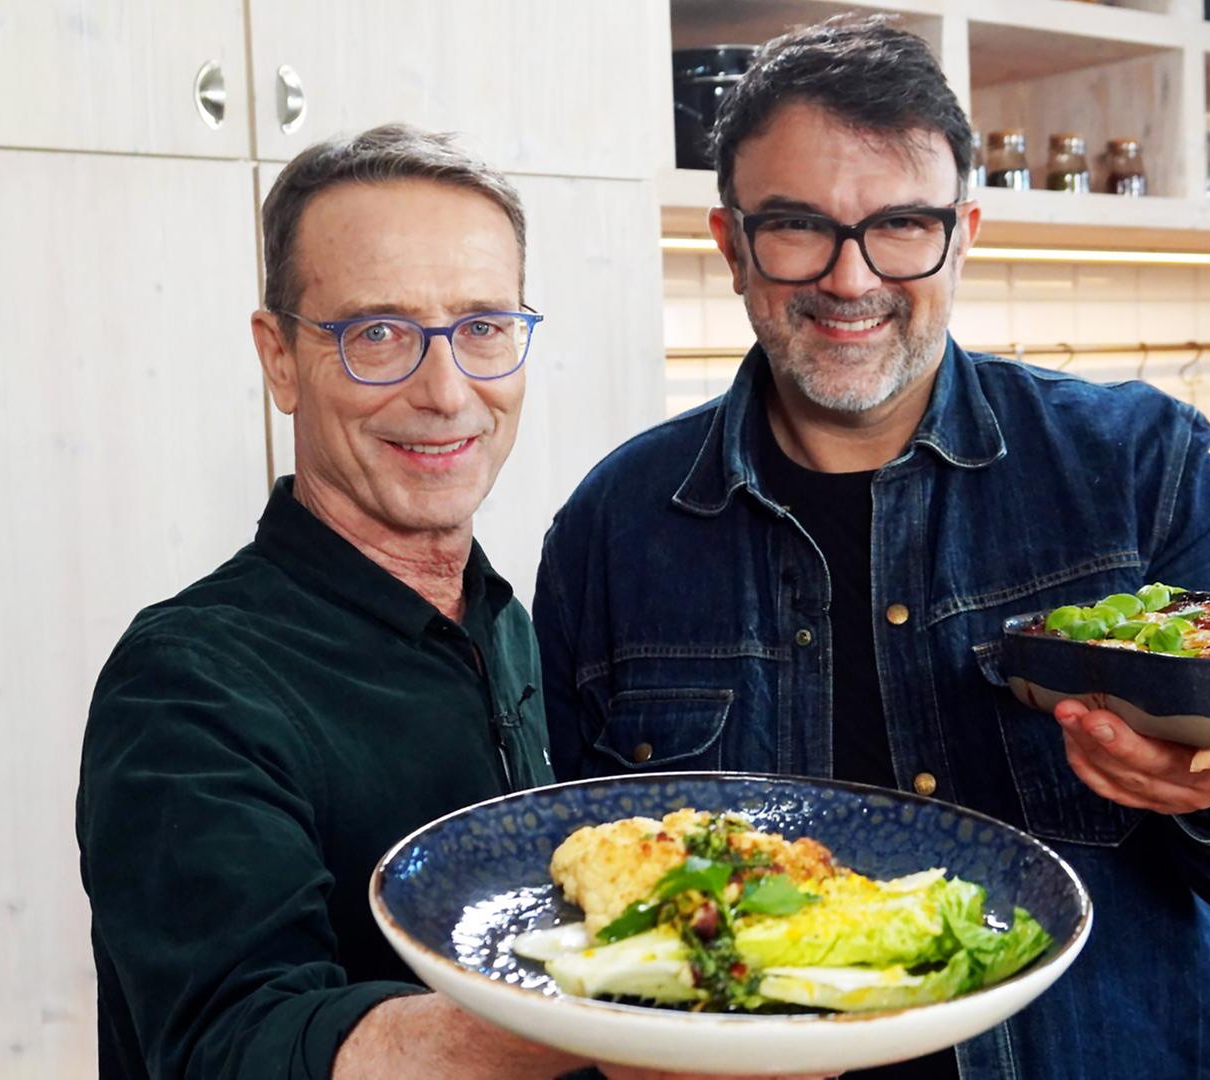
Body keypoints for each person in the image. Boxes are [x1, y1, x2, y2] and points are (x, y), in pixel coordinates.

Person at [534, 18, 1210, 1080]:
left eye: (901, 225)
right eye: (797, 226)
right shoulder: (611, 530)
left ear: (962, 235)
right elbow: (566, 899)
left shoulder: (1140, 466)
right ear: (732, 244)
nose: (850, 278)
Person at [75, 124, 803, 1080]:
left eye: (483, 327)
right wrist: (622, 1008)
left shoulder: (504, 622)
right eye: (377, 333)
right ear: (280, 358)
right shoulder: (186, 683)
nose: (447, 391)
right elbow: (237, 1045)